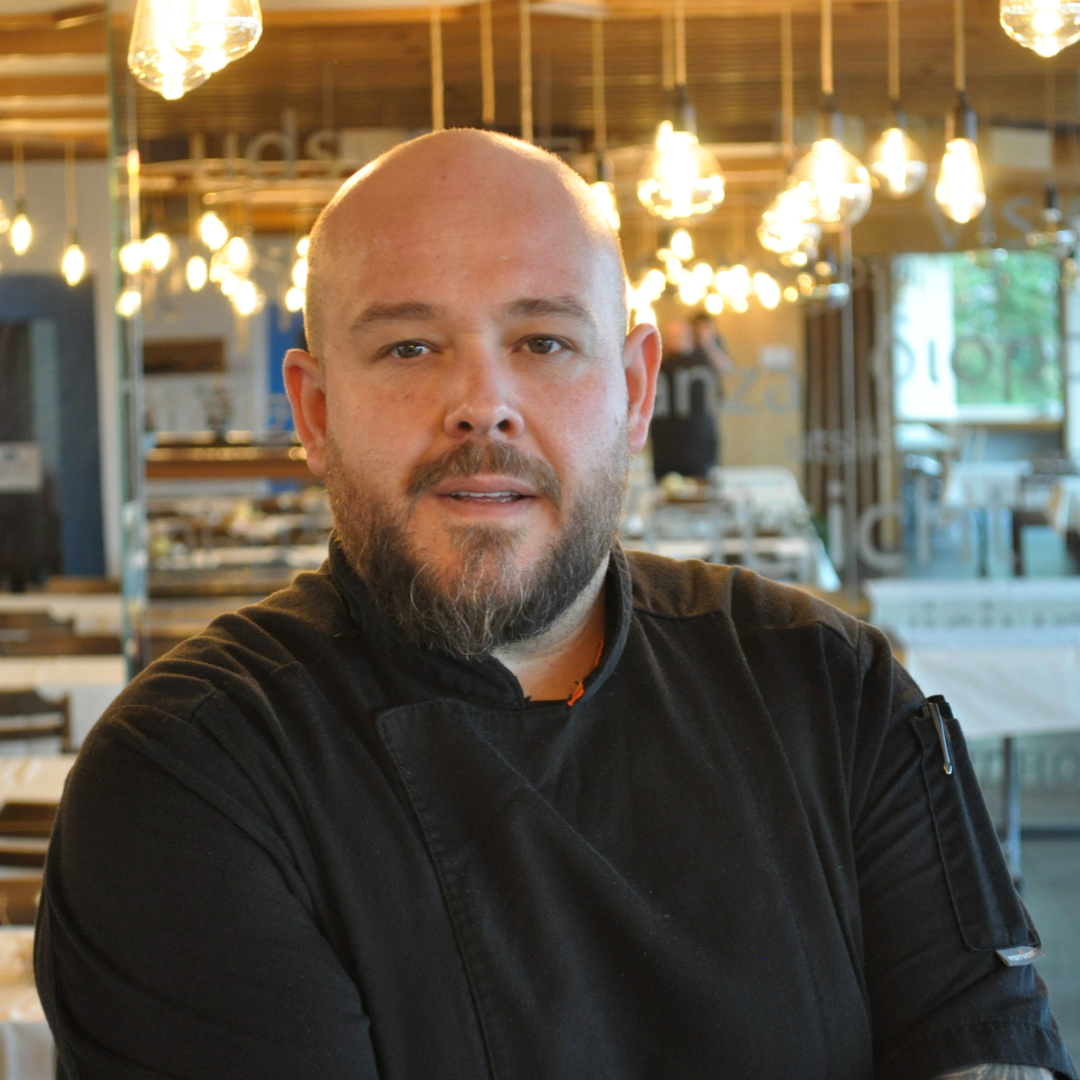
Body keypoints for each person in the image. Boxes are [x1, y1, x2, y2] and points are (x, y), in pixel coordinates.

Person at [35, 130, 1075, 1080]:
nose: (481, 401)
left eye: (542, 342)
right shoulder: (191, 771)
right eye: (408, 346)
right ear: (313, 410)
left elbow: (985, 1048)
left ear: (633, 390)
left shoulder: (829, 685)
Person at [649, 313, 731, 481]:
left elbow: (726, 369)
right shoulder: (658, 366)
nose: (674, 340)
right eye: (671, 336)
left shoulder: (703, 362)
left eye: (679, 336)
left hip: (696, 449)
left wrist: (708, 344)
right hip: (668, 451)